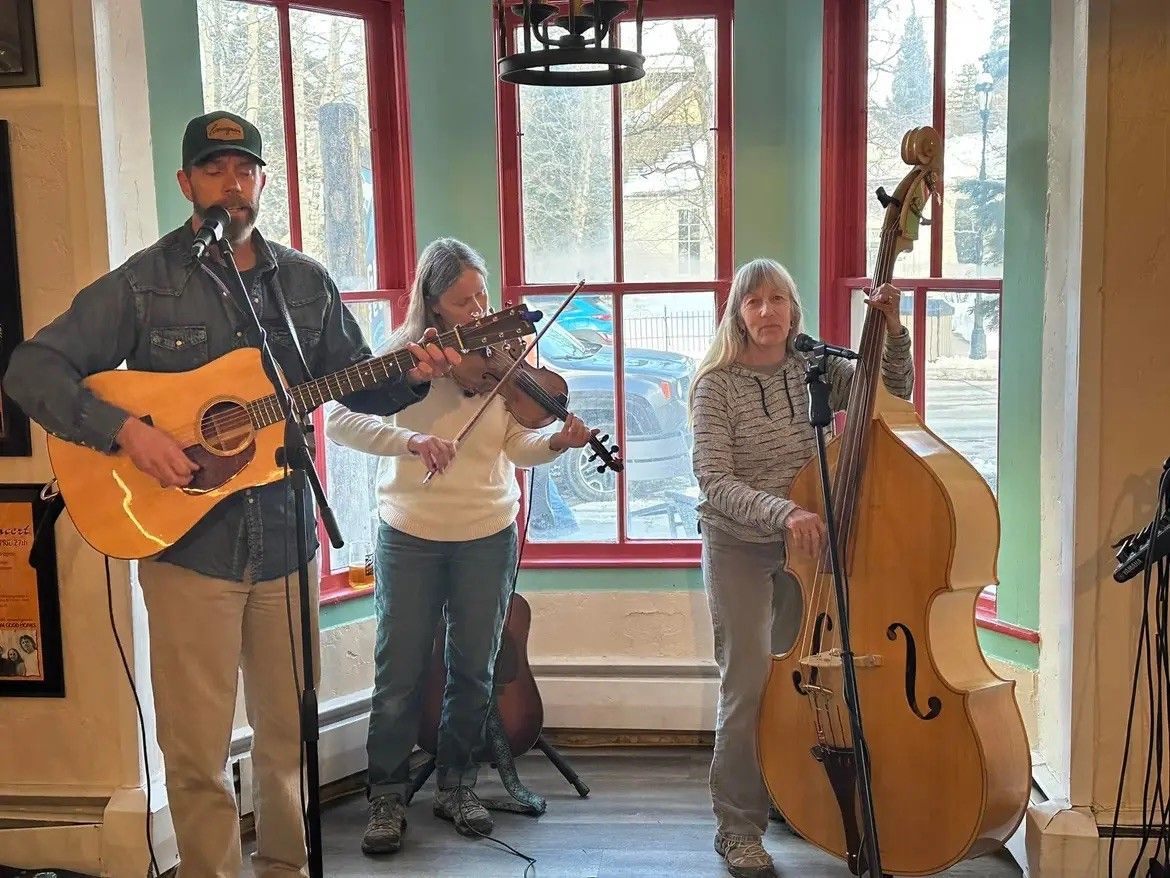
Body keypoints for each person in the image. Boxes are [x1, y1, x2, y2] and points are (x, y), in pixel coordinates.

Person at [3, 110, 458, 878]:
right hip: (188, 549)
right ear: (187, 184)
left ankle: (286, 867)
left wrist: (411, 372)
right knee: (196, 750)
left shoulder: (303, 283)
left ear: (263, 183)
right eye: (213, 170)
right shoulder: (146, 284)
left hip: (285, 540)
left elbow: (358, 386)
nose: (231, 184)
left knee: (287, 739)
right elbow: (31, 368)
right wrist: (128, 434)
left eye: (244, 170)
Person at [325, 238, 594, 856]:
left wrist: (555, 445)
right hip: (409, 534)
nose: (479, 310)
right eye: (463, 301)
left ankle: (457, 785)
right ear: (433, 303)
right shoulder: (403, 356)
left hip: (487, 534)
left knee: (473, 670)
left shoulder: (509, 353)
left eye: (481, 295)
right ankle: (386, 796)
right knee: (398, 672)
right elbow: (338, 420)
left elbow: (515, 449)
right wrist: (409, 443)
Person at [689, 258, 912, 878]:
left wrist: (893, 330)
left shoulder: (816, 371)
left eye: (777, 300)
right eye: (753, 302)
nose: (766, 312)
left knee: (800, 681)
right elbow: (713, 481)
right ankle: (737, 827)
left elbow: (891, 392)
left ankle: (784, 789)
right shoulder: (716, 385)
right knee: (749, 683)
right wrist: (783, 511)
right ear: (737, 313)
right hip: (738, 543)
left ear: (794, 310)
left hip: (805, 547)